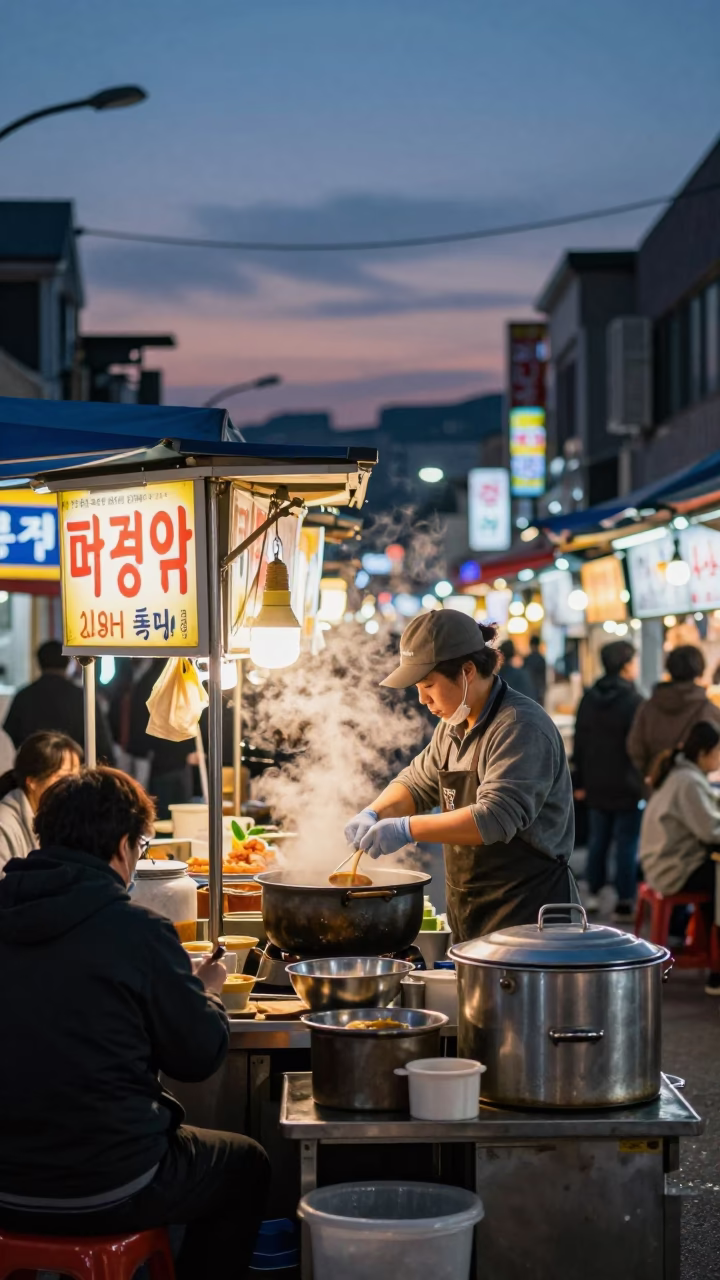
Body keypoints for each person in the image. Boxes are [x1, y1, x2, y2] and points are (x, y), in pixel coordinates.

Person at [0, 767, 269, 1276]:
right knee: (246, 1164)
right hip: (107, 1182)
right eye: (141, 849)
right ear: (123, 846)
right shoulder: (137, 929)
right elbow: (198, 1056)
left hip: (6, 1182)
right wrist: (204, 992)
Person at [345, 610, 576, 943]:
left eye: (428, 686)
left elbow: (494, 818)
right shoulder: (453, 726)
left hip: (531, 917)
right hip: (473, 909)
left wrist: (406, 829)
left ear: (467, 671)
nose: (423, 699)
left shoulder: (518, 726)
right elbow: (416, 783)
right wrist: (374, 812)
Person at [639, 721, 720, 995]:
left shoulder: (683, 774)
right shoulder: (688, 780)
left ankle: (710, 955)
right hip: (673, 868)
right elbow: (710, 830)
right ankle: (715, 969)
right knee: (718, 881)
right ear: (704, 753)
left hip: (662, 862)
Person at [573, 641, 645, 921]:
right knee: (626, 842)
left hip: (595, 782)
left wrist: (579, 781)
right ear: (626, 664)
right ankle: (625, 901)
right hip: (627, 783)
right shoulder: (634, 700)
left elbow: (580, 741)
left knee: (598, 840)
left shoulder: (589, 697)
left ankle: (591, 893)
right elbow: (639, 745)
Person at [3, 640, 115, 764]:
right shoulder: (82, 696)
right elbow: (100, 742)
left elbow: (10, 733)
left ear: (39, 662)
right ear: (68, 662)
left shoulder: (23, 696)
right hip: (74, 771)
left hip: (34, 769)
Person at [627, 645, 720, 784]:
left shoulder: (649, 707)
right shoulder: (708, 709)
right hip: (695, 789)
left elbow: (635, 748)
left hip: (659, 789)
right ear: (700, 670)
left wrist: (653, 771)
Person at [0, 731, 82, 870]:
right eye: (64, 778)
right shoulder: (4, 826)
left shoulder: (64, 821)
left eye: (77, 778)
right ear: (32, 781)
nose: (72, 786)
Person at [129, 658, 194, 819]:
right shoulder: (183, 675)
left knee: (162, 815)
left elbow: (138, 719)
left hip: (159, 760)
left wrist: (142, 750)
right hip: (179, 760)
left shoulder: (147, 679)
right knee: (181, 815)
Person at [524, 634, 547, 705]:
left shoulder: (527, 659)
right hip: (539, 690)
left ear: (531, 645)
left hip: (528, 690)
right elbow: (544, 677)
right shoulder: (542, 659)